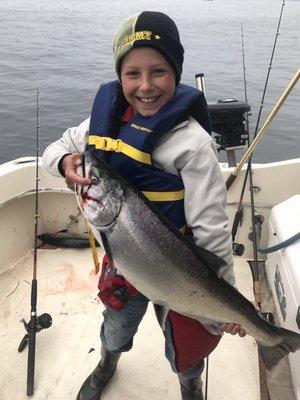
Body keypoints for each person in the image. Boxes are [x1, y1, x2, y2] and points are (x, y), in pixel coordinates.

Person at [42, 11, 247, 400]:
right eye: (132, 73)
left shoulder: (194, 144)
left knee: (188, 350)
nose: (146, 85)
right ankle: (107, 363)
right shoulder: (101, 123)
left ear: (177, 72)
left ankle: (190, 384)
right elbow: (56, 149)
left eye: (159, 71)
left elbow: (212, 229)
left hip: (183, 271)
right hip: (124, 261)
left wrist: (227, 298)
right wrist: (63, 163)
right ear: (120, 77)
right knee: (116, 326)